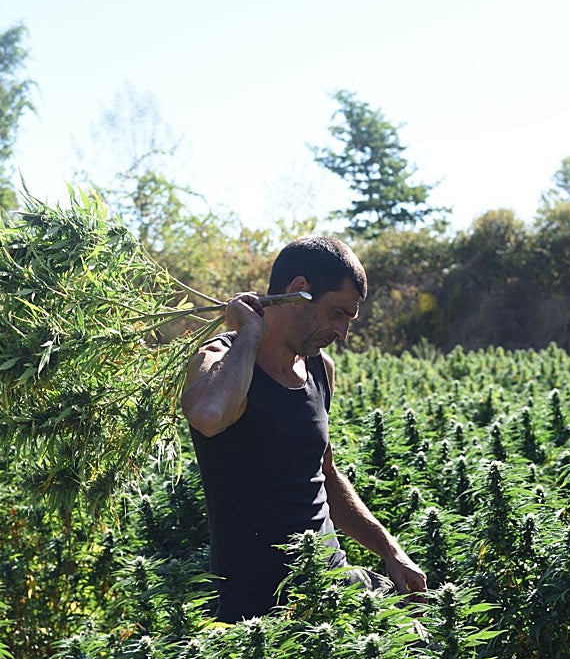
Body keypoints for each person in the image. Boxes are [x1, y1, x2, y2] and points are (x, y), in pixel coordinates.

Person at [180, 234, 428, 622]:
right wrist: (248, 334)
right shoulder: (220, 359)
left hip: (331, 582)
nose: (343, 332)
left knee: (425, 631)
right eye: (337, 313)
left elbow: (325, 475)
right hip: (260, 609)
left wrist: (391, 552)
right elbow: (209, 416)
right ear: (299, 291)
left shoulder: (319, 369)